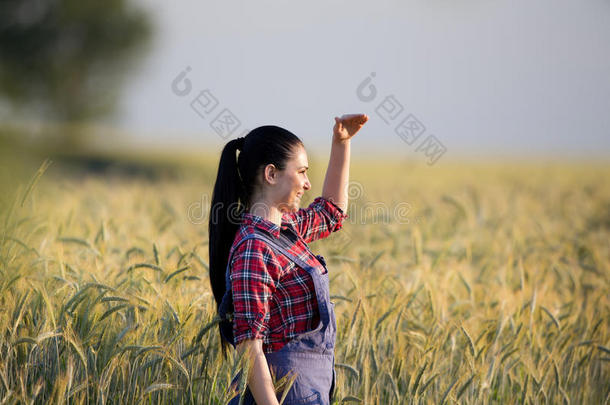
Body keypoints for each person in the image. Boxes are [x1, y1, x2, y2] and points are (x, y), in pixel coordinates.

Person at [208, 114, 368, 405]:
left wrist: (341, 143)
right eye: (302, 171)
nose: (308, 184)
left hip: (311, 391)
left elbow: (331, 212)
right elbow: (249, 347)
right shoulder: (254, 249)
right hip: (282, 395)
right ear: (271, 174)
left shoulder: (287, 229)